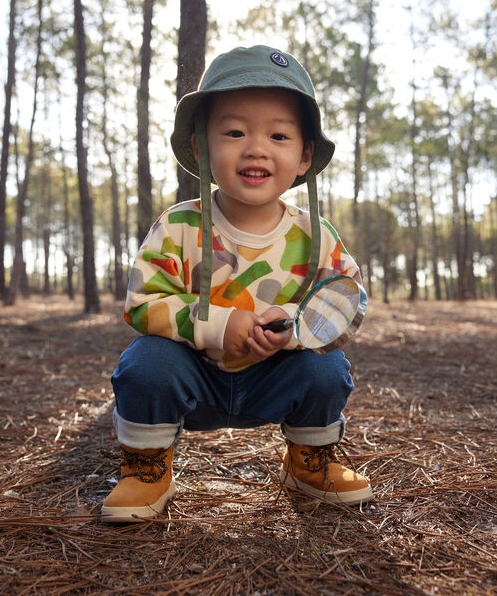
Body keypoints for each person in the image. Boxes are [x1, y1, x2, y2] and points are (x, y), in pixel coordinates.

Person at [101, 45, 373, 522]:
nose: (256, 147)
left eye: (279, 135)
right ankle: (146, 468)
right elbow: (142, 302)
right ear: (204, 147)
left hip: (275, 379)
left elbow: (348, 304)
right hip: (194, 377)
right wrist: (217, 325)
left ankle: (309, 461)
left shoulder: (315, 236)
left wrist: (291, 323)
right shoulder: (179, 227)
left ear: (305, 155)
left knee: (326, 369)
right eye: (234, 131)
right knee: (145, 362)